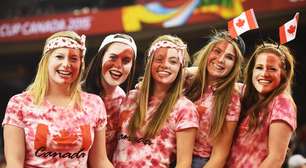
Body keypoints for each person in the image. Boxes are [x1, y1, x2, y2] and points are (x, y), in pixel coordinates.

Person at [2, 31, 113, 168]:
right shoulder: (20, 104)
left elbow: (100, 161)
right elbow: (14, 164)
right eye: (59, 57)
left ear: (80, 64)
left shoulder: (94, 104)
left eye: (73, 58)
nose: (66, 64)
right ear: (46, 61)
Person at [113, 35, 199, 167]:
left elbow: (184, 164)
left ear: (180, 68)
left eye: (173, 62)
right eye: (159, 59)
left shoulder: (185, 108)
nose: (165, 65)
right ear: (150, 63)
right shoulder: (130, 98)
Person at [226, 42, 297, 168]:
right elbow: (214, 81)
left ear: (283, 73)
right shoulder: (243, 93)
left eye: (272, 69)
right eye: (259, 67)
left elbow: (275, 159)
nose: (264, 73)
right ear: (252, 70)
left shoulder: (282, 103)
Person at [185, 30, 245, 168]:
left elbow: (220, 155)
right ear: (208, 52)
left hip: (199, 162)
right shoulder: (187, 82)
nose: (220, 59)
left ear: (234, 65)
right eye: (217, 51)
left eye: (229, 57)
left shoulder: (231, 98)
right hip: (168, 156)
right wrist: (187, 71)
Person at [82, 33, 137, 160]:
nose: (118, 66)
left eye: (126, 61)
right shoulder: (77, 94)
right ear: (100, 58)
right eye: (113, 57)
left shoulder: (124, 99)